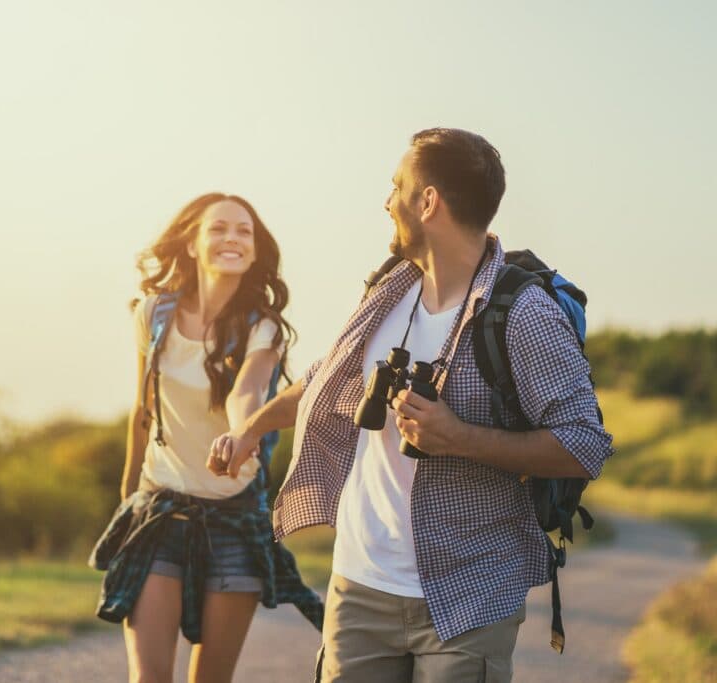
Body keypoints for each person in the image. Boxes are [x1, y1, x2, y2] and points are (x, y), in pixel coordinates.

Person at [208, 129, 614, 682]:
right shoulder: (387, 289)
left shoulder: (523, 314)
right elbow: (323, 377)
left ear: (428, 202)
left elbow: (584, 443)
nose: (386, 201)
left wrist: (458, 437)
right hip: (359, 587)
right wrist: (252, 428)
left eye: (396, 186)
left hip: (468, 592)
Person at [90, 192, 323, 683]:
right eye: (218, 228)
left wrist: (241, 434)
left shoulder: (264, 328)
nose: (232, 238)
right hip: (160, 511)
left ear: (256, 252)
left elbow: (249, 390)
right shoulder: (153, 315)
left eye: (244, 231)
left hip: (234, 518)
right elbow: (142, 410)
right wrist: (128, 495)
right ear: (193, 244)